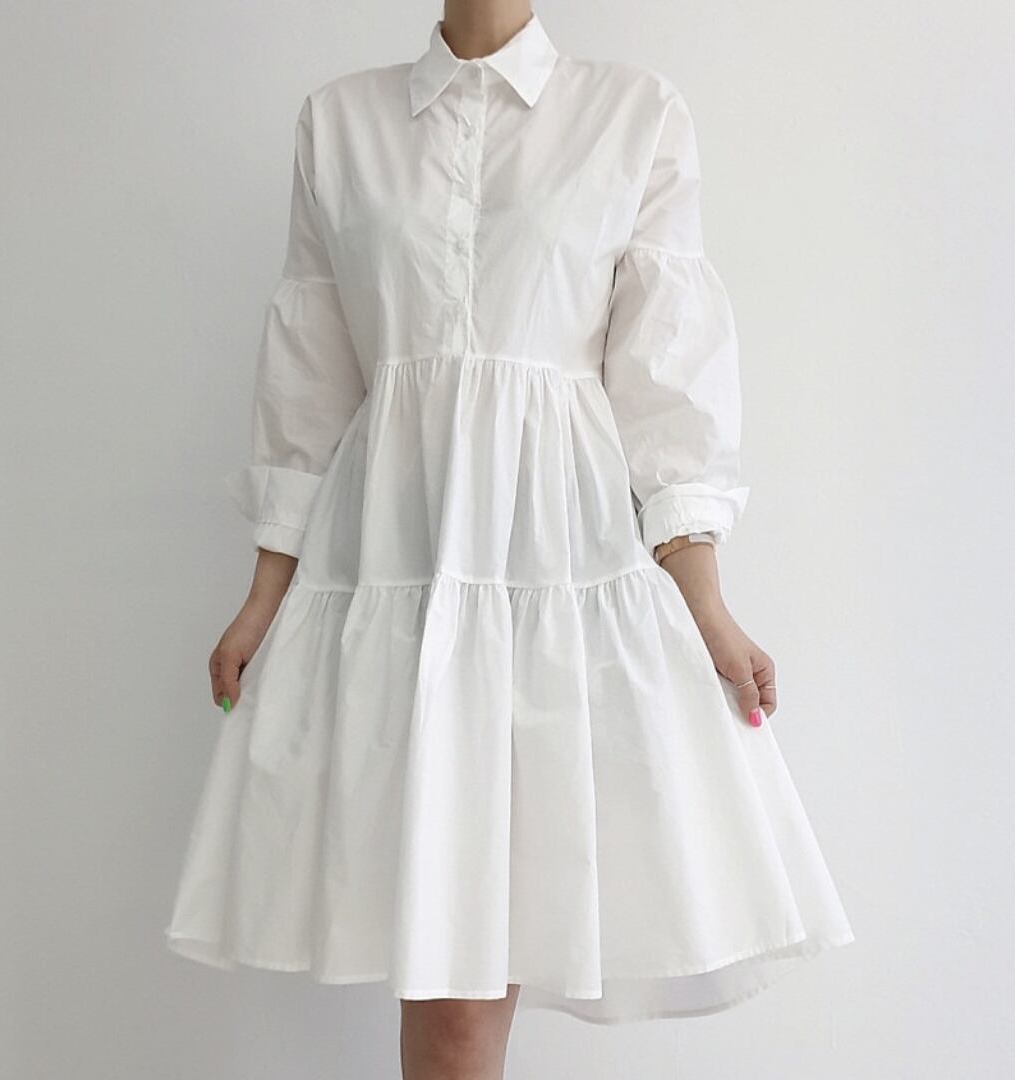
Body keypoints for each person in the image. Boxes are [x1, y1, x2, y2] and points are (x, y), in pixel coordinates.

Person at [165, 4, 855, 1076]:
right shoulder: (337, 124)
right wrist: (264, 593)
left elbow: (664, 385)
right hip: (395, 565)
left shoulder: (633, 113)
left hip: (560, 567)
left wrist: (708, 605)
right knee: (446, 995)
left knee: (495, 952)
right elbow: (310, 377)